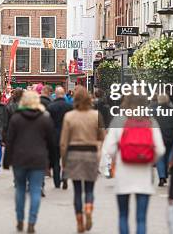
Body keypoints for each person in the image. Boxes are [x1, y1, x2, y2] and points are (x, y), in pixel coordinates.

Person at [100, 94, 165, 234]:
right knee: (141, 218)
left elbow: (109, 148)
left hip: (124, 174)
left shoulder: (119, 121)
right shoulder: (151, 121)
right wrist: (149, 160)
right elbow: (160, 149)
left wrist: (118, 158)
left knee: (123, 215)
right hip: (144, 175)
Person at [3, 91, 55, 233]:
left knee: (20, 189)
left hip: (19, 158)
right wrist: (51, 162)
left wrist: (6, 161)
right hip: (38, 159)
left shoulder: (16, 118)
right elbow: (51, 142)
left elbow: (10, 140)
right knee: (35, 190)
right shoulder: (45, 118)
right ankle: (32, 222)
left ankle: (20, 220)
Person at [60, 86, 105, 232]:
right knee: (90, 190)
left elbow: (63, 142)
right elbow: (102, 137)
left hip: (74, 154)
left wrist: (64, 160)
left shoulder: (69, 116)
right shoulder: (96, 115)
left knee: (78, 191)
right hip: (91, 154)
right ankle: (89, 210)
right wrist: (98, 151)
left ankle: (79, 221)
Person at [152, 94, 173, 186]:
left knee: (160, 157)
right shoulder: (171, 111)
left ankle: (162, 176)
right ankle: (167, 171)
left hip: (158, 137)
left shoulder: (154, 111)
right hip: (170, 137)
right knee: (168, 154)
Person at [48, 86, 73, 189]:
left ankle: (57, 182)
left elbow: (48, 123)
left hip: (54, 136)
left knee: (55, 160)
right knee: (66, 159)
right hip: (66, 137)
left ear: (56, 94)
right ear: (63, 94)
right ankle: (65, 176)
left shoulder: (50, 107)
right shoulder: (69, 107)